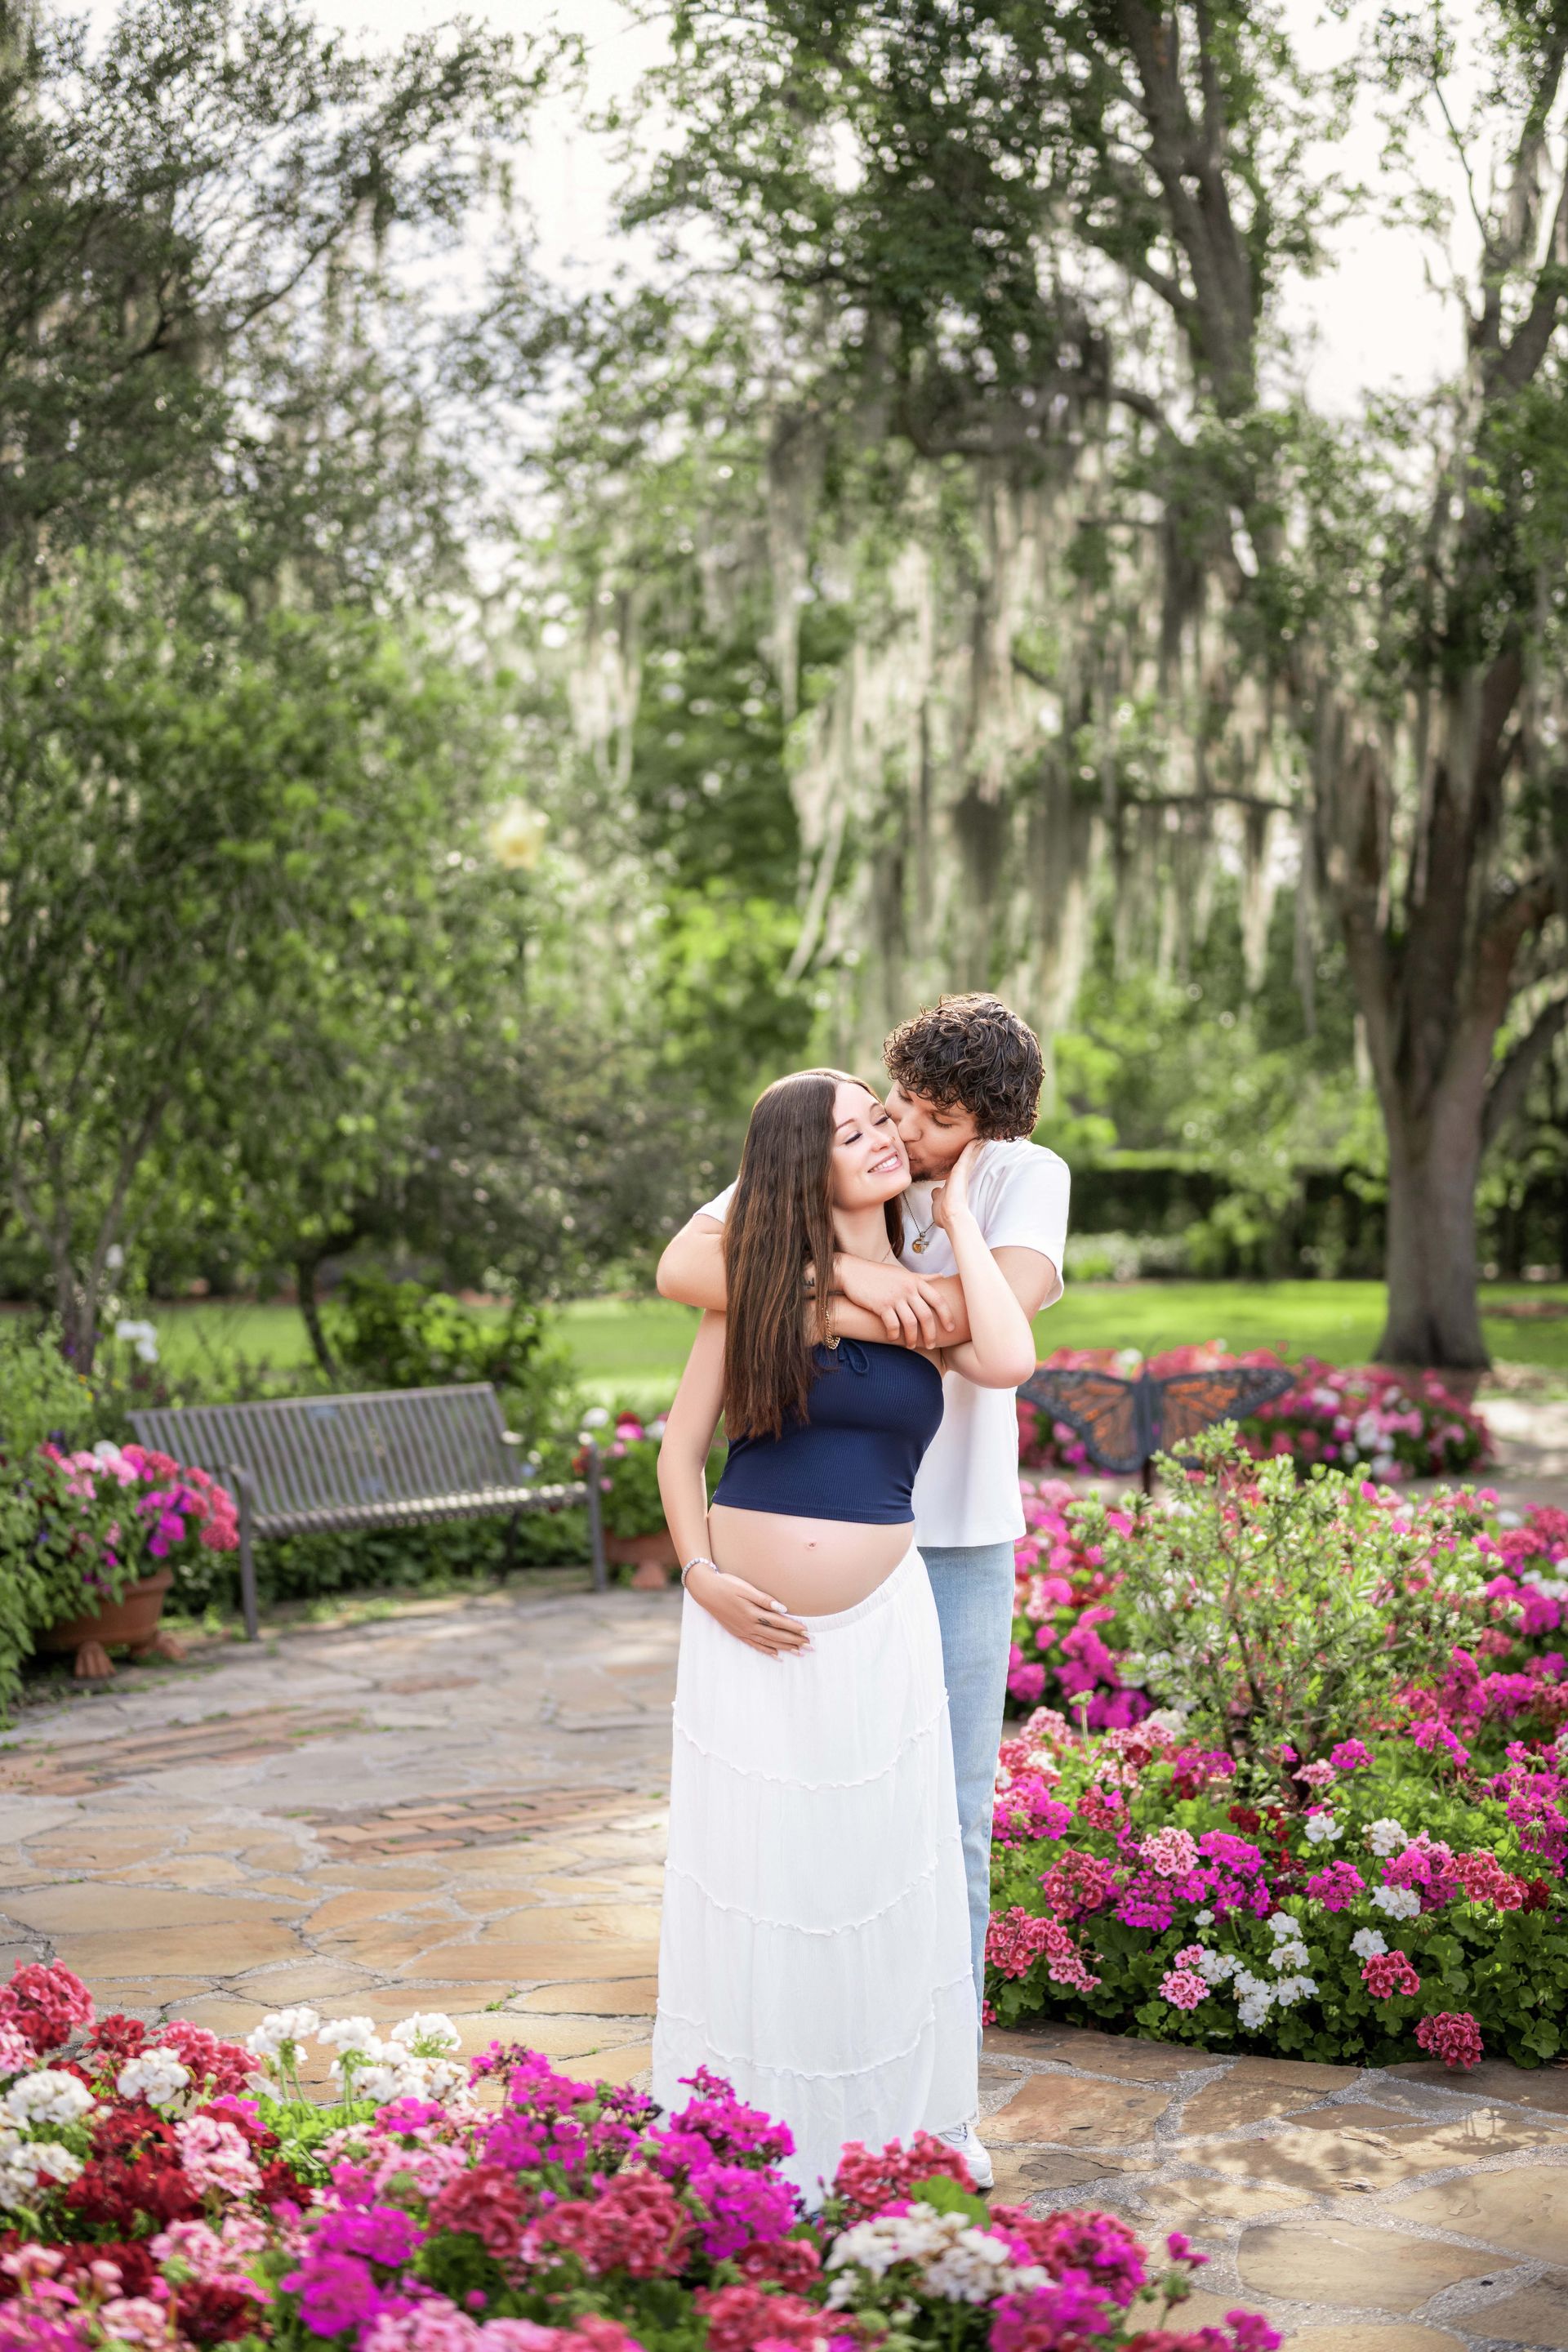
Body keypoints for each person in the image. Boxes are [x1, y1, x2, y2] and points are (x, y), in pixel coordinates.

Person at [657, 995, 1069, 2189]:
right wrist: (819, 1288)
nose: (900, 1130)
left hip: (946, 1538)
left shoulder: (1016, 1181)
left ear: (987, 1130)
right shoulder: (817, 1144)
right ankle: (769, 2096)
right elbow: (689, 1266)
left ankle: (937, 2098)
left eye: (933, 1123)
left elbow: (986, 1331)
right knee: (777, 1840)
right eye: (892, 1107)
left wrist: (906, 1247)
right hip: (780, 1572)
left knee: (943, 1824)